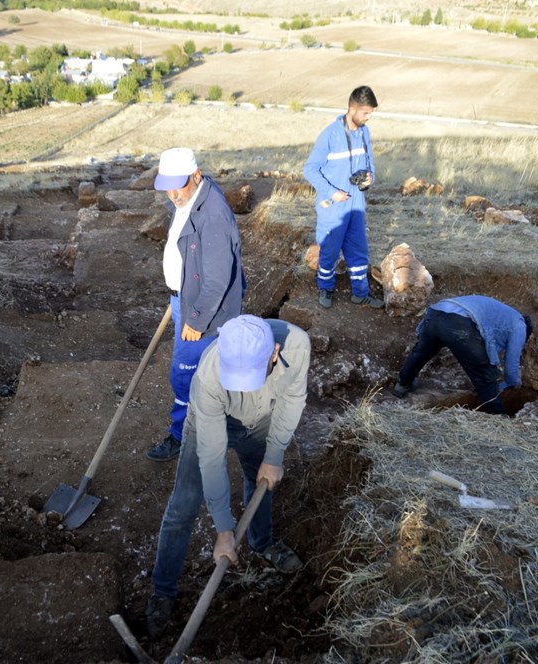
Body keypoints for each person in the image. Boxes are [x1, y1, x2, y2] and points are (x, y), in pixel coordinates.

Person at [145, 315, 309, 639]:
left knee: (260, 480)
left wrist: (274, 457)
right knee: (183, 504)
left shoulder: (297, 345)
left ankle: (262, 544)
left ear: (274, 353)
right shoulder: (210, 373)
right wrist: (223, 528)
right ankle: (163, 589)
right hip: (209, 421)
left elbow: (292, 400)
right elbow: (211, 457)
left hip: (263, 421)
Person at [146, 147, 246, 462]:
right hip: (186, 298)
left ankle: (183, 434)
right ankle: (224, 425)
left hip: (203, 310)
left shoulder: (213, 214)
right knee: (209, 371)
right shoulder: (189, 196)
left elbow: (216, 280)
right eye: (168, 186)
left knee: (185, 374)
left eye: (179, 184)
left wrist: (196, 319)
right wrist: (178, 289)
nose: (173, 193)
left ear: (196, 174)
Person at [304, 85, 384, 310]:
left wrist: (370, 179)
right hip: (333, 205)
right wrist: (331, 192)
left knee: (358, 249)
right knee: (329, 250)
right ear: (351, 108)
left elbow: (369, 163)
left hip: (356, 203)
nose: (368, 118)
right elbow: (310, 169)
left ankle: (361, 293)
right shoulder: (329, 134)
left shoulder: (364, 132)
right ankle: (325, 289)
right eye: (365, 113)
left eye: (371, 113)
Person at [392, 295, 533, 415]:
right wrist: (512, 382)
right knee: (484, 377)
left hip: (436, 313)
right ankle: (497, 416)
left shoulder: (502, 316)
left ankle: (402, 385)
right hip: (459, 323)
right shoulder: (520, 325)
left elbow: (485, 348)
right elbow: (511, 364)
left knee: (420, 352)